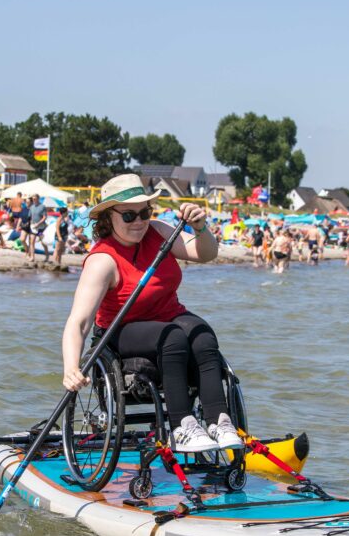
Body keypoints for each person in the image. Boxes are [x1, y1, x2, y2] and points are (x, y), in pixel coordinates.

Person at [61, 174, 244, 454]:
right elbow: (80, 321)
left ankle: (218, 421)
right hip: (120, 331)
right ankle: (182, 426)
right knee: (171, 337)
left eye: (145, 212)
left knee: (203, 335)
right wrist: (71, 367)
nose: (139, 221)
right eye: (129, 215)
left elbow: (204, 253)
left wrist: (200, 227)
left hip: (168, 315)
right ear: (109, 218)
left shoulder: (158, 231)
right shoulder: (102, 261)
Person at [28, 193, 49, 261]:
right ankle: (32, 257)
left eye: (35, 199)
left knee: (43, 242)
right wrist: (31, 224)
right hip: (33, 228)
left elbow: (44, 217)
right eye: (33, 199)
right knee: (32, 241)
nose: (33, 200)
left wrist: (38, 223)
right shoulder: (31, 207)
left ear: (38, 199)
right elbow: (30, 217)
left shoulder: (42, 206)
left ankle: (47, 256)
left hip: (41, 228)